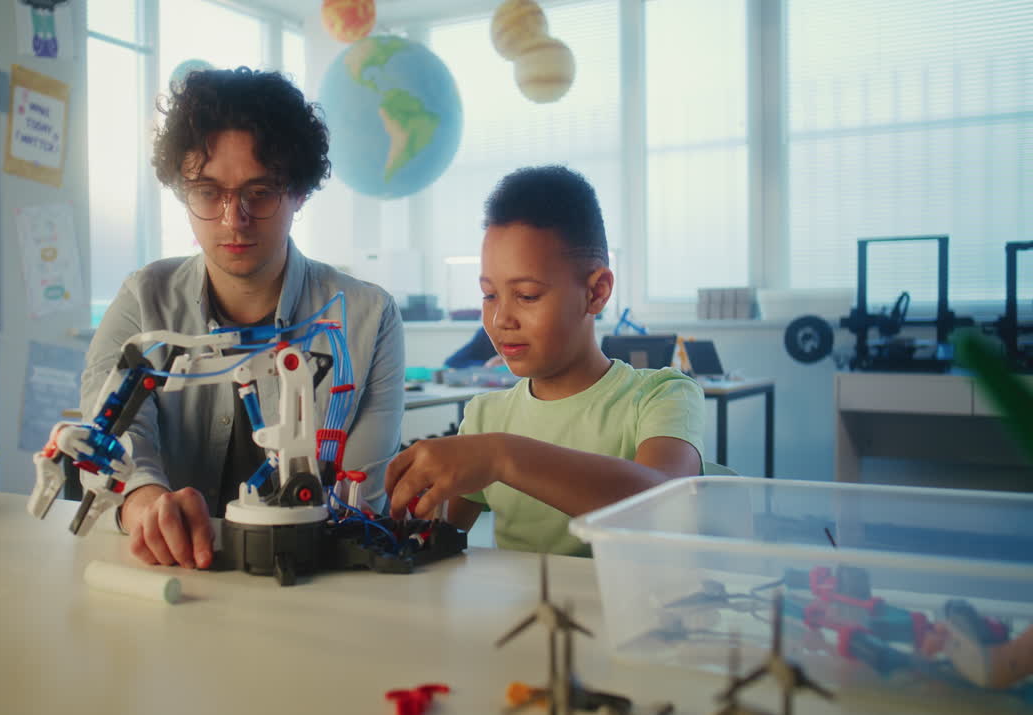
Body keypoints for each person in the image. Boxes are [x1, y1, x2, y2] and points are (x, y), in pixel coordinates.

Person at [84, 67, 405, 569]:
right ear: (182, 193)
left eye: (260, 192)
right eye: (210, 192)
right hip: (175, 580)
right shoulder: (143, 301)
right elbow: (111, 434)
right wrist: (144, 501)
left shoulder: (368, 318)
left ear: (298, 193)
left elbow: (357, 495)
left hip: (317, 583)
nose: (235, 220)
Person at [384, 165, 704, 556]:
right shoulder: (487, 416)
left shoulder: (661, 396)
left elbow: (665, 505)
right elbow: (433, 538)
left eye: (528, 295)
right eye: (489, 296)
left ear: (596, 292)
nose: (501, 319)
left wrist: (501, 456)